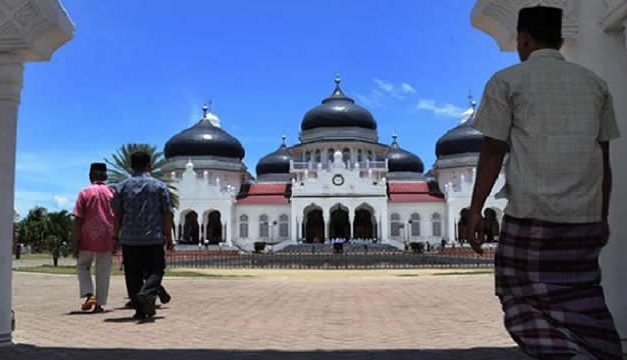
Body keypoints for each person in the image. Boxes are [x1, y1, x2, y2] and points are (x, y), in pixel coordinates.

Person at [466, 6, 622, 359]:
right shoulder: (595, 84)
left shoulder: (508, 81)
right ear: (562, 39)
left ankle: (563, 354)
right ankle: (601, 351)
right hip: (583, 216)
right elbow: (604, 159)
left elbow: (493, 150)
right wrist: (602, 215)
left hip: (531, 215)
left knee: (519, 296)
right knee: (584, 296)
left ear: (523, 39)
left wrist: (475, 209)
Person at [113, 151, 173, 320]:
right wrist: (169, 236)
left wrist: (115, 237)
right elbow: (166, 213)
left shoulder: (122, 187)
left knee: (133, 275)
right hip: (153, 237)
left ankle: (140, 310)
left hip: (130, 239)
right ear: (150, 165)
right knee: (156, 270)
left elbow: (117, 214)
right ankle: (147, 293)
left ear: (131, 166)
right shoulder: (159, 186)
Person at [72, 162, 115, 313]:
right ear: (106, 176)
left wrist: (76, 240)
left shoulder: (85, 193)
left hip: (87, 237)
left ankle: (89, 294)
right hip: (108, 237)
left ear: (90, 176)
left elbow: (78, 218)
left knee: (83, 266)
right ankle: (99, 304)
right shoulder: (112, 193)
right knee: (103, 271)